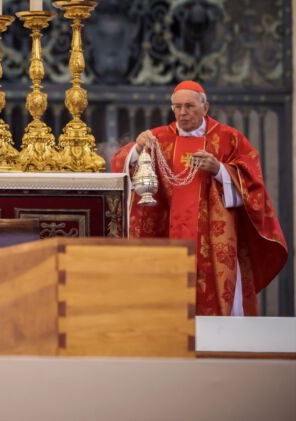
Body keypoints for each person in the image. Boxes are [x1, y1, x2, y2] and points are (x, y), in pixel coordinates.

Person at [111, 80, 288, 316]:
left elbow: (253, 186)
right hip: (167, 235)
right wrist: (136, 149)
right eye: (176, 107)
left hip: (214, 239)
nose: (182, 113)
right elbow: (121, 166)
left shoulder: (229, 139)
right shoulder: (158, 138)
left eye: (189, 106)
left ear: (205, 107)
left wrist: (219, 170)